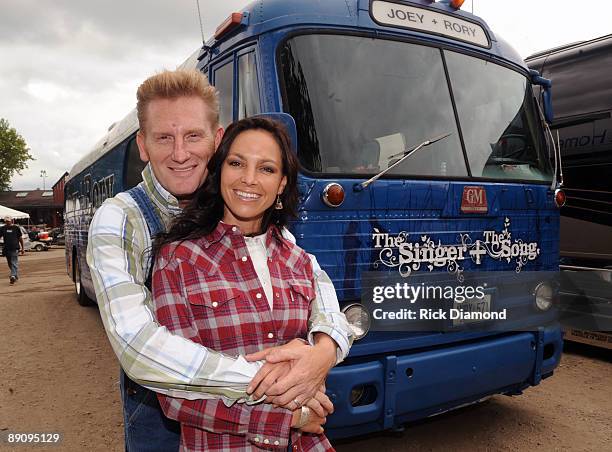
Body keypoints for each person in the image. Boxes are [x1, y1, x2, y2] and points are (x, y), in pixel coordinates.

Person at [86, 69, 352, 451]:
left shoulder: (242, 210)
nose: (180, 153)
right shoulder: (121, 219)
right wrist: (274, 381)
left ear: (216, 139)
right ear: (143, 146)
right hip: (163, 410)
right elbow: (138, 345)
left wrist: (323, 351)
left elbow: (314, 283)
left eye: (193, 135)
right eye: (164, 138)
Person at [152, 117, 334, 451]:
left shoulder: (300, 261)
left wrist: (318, 359)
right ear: (219, 170)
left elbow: (320, 351)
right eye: (237, 163)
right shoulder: (178, 260)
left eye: (266, 169)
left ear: (282, 184)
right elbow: (173, 394)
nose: (249, 179)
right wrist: (289, 418)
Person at [1, 216, 25, 284]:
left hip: (15, 247)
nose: (7, 222)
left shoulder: (16, 228)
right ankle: (15, 275)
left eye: (8, 221)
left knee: (14, 262)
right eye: (6, 221)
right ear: (4, 221)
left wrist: (23, 248)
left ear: (11, 220)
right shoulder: (2, 228)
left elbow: (20, 238)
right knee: (10, 263)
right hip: (6, 248)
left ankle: (12, 276)